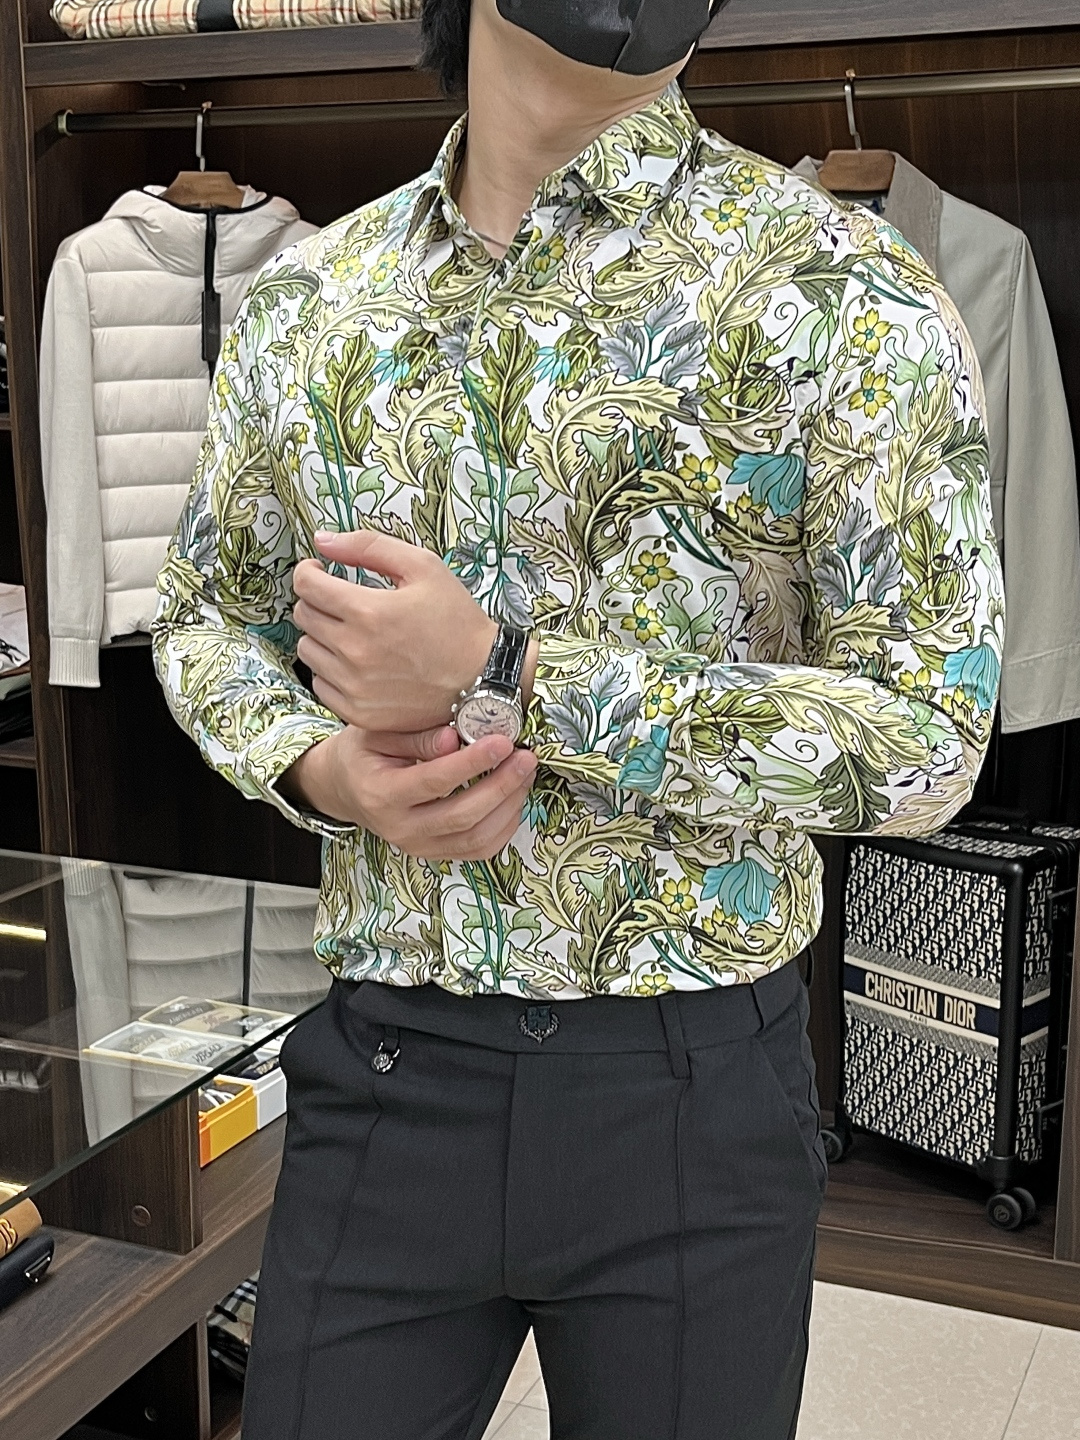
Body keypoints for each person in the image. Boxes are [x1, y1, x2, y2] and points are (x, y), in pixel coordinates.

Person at [153, 1, 1005, 1435]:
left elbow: (930, 738)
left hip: (691, 1100)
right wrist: (319, 768)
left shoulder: (841, 291)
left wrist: (512, 669)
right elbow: (203, 613)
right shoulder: (316, 300)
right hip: (388, 1073)